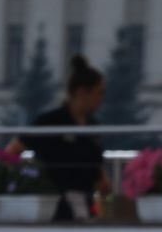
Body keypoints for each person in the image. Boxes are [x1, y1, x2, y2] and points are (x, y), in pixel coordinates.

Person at [11, 54, 108, 221]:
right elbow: (13, 151)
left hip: (84, 207)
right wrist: (23, 185)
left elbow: (98, 168)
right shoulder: (51, 121)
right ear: (82, 92)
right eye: (99, 93)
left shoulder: (93, 127)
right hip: (52, 209)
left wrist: (105, 187)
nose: (102, 99)